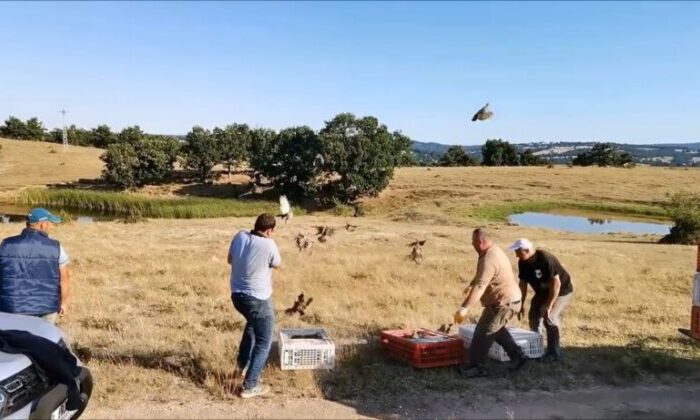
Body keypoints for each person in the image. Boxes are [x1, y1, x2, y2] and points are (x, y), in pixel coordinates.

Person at [453, 228, 528, 377]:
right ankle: (519, 356)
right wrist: (471, 284)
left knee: (483, 333)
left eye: (473, 242)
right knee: (497, 330)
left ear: (480, 242)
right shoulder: (492, 252)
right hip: (508, 300)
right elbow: (482, 277)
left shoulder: (489, 258)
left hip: (504, 303)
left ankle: (477, 367)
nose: (472, 245)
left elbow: (481, 286)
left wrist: (464, 308)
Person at [228, 213, 282, 398]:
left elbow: (230, 260)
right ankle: (250, 386)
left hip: (237, 297)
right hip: (258, 299)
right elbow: (277, 264)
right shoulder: (269, 244)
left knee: (252, 327)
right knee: (264, 341)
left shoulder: (239, 236)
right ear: (269, 230)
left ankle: (241, 368)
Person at [0, 208, 71, 323]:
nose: (51, 226)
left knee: (14, 340)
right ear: (43, 225)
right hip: (46, 307)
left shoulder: (6, 244)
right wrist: (64, 303)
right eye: (50, 223)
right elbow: (64, 279)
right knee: (42, 340)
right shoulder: (56, 247)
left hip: (12, 306)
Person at [510, 238, 574, 362]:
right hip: (542, 292)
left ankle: (553, 353)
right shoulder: (522, 262)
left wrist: (549, 305)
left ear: (527, 250)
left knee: (549, 317)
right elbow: (523, 284)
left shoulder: (545, 259)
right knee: (533, 316)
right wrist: (521, 303)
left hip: (561, 291)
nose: (516, 254)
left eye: (518, 251)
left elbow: (556, 284)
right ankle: (537, 349)